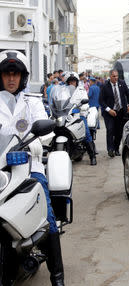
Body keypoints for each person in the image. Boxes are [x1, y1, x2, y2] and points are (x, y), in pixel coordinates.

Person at [0, 50, 65, 286]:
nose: (10, 78)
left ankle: (57, 278)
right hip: (1, 169)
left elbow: (44, 132)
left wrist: (33, 139)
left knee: (46, 216)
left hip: (28, 167)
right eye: (6, 73)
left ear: (23, 77)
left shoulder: (33, 102)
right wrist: (19, 129)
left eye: (15, 73)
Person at [62, 72, 97, 165]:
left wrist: (80, 108)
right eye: (69, 81)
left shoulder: (81, 90)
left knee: (86, 134)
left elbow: (85, 103)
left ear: (76, 82)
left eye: (73, 81)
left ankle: (92, 156)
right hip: (66, 115)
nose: (71, 83)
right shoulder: (63, 91)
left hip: (79, 115)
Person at [99, 69, 129, 157]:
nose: (116, 78)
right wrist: (109, 110)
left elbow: (128, 95)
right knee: (110, 130)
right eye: (114, 76)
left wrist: (128, 105)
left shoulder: (122, 83)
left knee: (119, 132)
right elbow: (101, 101)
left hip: (120, 112)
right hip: (109, 112)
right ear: (110, 76)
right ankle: (110, 149)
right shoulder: (104, 86)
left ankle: (116, 148)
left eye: (117, 76)